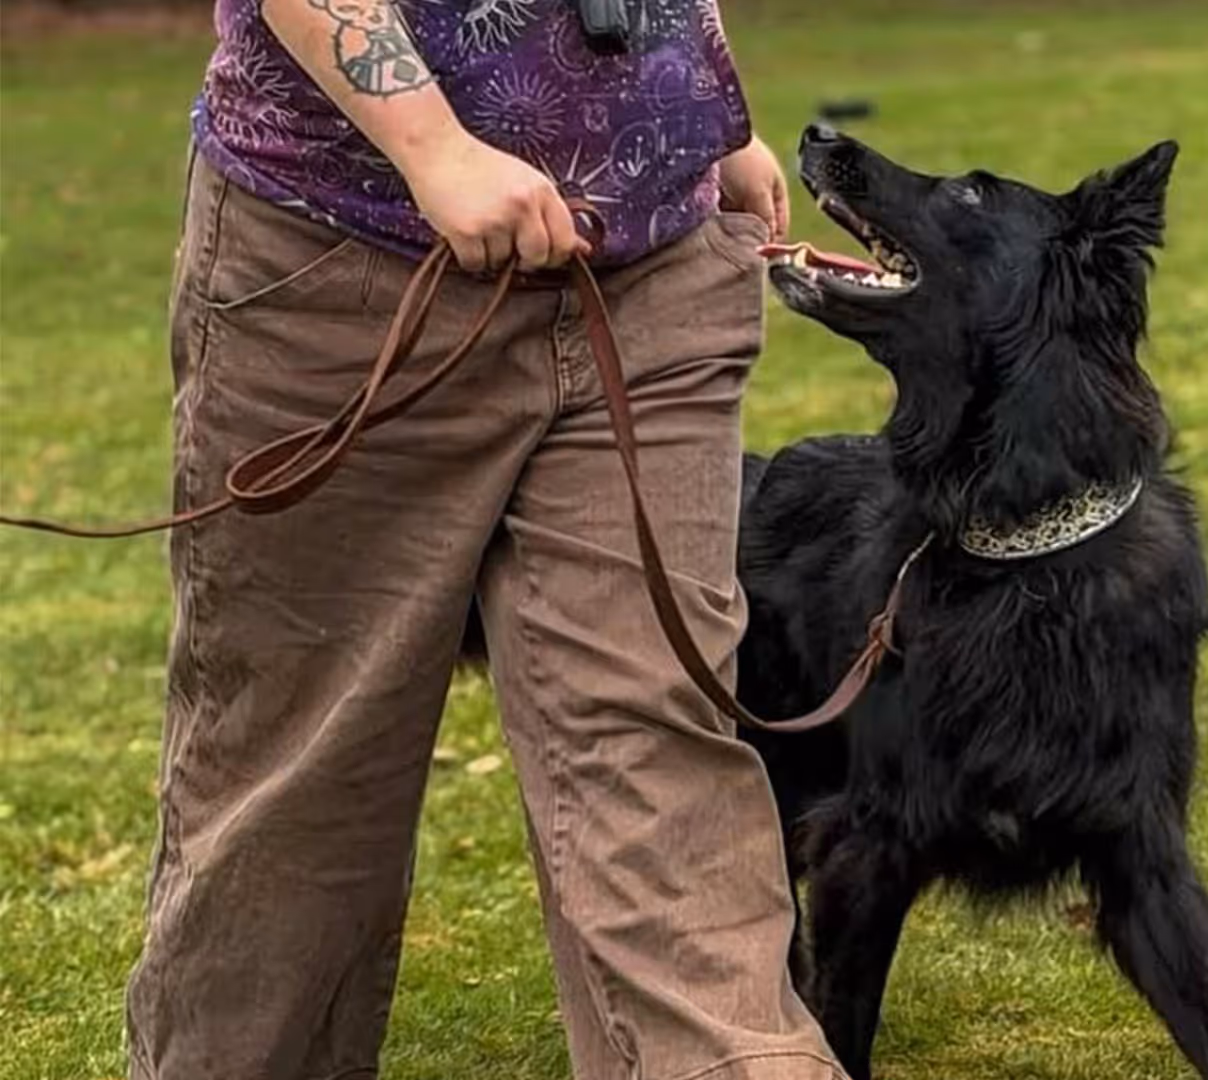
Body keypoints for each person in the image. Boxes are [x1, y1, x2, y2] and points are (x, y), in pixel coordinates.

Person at [127, 0, 842, 1077]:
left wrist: (712, 108)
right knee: (307, 777)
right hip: (346, 269)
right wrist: (434, 145)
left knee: (658, 753)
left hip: (655, 273)